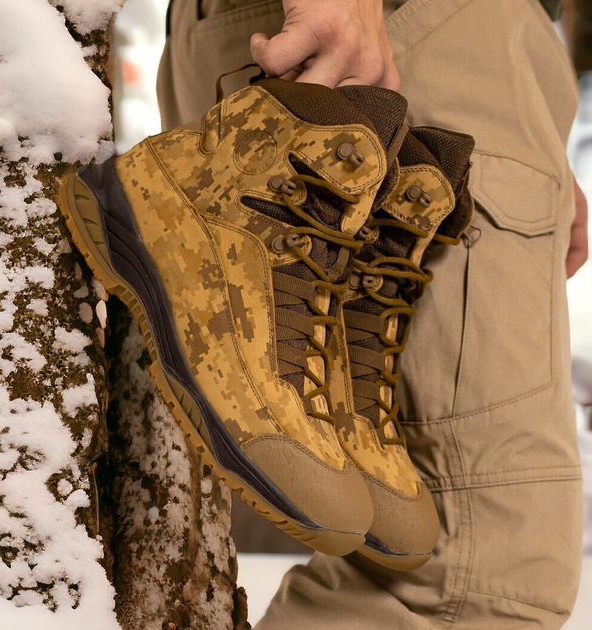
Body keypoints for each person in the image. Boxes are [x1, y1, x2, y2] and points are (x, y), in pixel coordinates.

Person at [157, 1, 587, 627]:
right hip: (403, 29)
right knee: (467, 581)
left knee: (429, 552)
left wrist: (526, 115)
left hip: (450, 41)